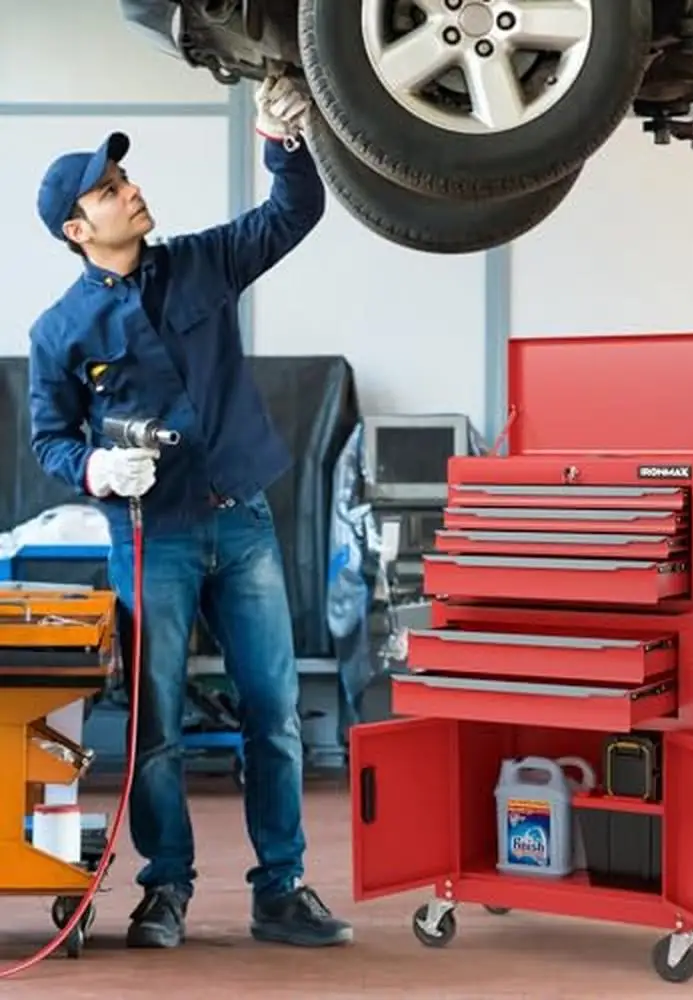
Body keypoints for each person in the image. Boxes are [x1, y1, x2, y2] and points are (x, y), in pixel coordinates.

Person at [27, 75, 352, 951]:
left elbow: (294, 214)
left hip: (242, 522)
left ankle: (280, 889)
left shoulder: (204, 261)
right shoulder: (60, 332)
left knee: (274, 715)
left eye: (123, 180)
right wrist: (95, 466)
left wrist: (280, 140)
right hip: (151, 540)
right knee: (157, 728)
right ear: (77, 230)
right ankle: (163, 888)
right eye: (108, 190)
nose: (129, 190)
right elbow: (48, 439)